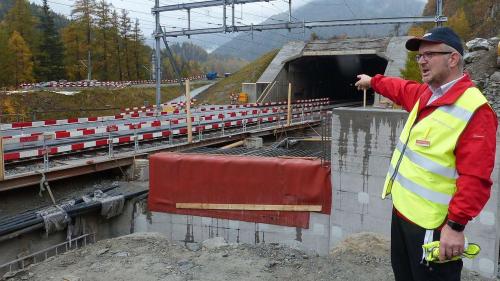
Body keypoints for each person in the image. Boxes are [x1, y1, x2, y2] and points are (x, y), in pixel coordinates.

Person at [355, 27, 497, 281]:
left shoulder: (475, 111)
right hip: (402, 214)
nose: (421, 61)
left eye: (429, 54)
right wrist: (373, 81)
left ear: (452, 59)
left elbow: (475, 179)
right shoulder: (427, 94)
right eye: (419, 56)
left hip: (433, 227)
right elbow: (400, 88)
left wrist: (455, 227)